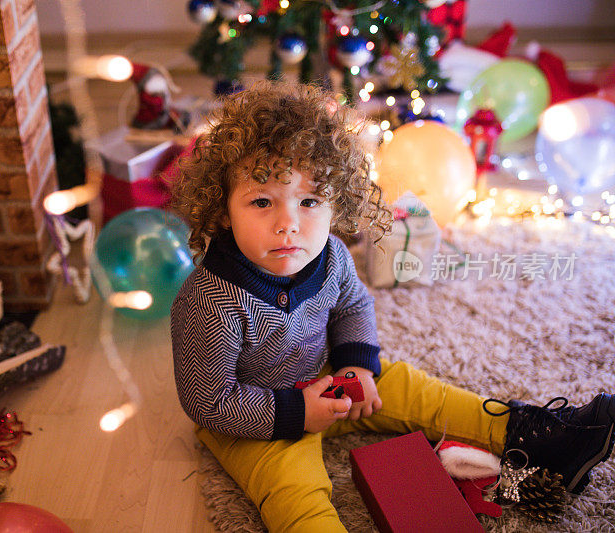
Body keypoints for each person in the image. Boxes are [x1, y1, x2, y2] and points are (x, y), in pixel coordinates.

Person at [169, 80, 615, 532]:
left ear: (334, 203)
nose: (288, 224)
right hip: (258, 418)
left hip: (331, 380)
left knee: (419, 390)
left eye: (308, 202)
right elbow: (209, 402)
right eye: (262, 202)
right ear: (224, 211)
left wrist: (355, 364)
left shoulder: (332, 257)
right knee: (296, 497)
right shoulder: (210, 301)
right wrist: (298, 412)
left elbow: (352, 306)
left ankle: (537, 435)